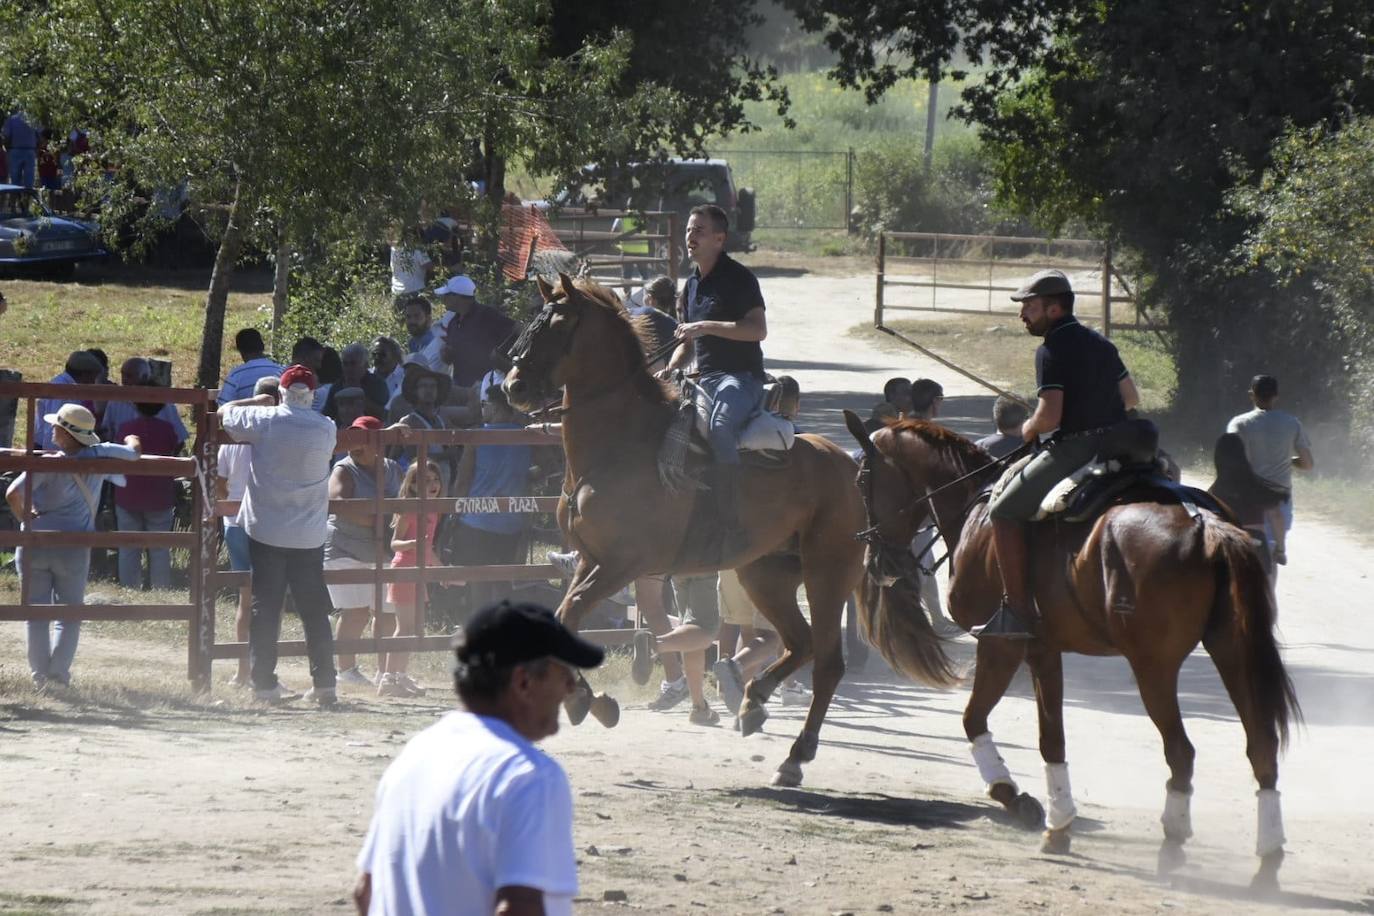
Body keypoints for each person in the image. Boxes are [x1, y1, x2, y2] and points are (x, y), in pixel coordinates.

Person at [353, 599, 602, 916]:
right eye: (565, 673)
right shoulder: (527, 775)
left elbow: (366, 893)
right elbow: (519, 909)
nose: (570, 687)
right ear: (523, 682)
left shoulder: (414, 756)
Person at [978, 269, 1140, 640]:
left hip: (1078, 448)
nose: (1022, 315)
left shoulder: (1050, 350)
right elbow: (1131, 399)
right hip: (1122, 443)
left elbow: (1049, 416)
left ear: (1053, 310)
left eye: (1029, 307)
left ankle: (1017, 611)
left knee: (1003, 509)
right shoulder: (1102, 344)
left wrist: (1030, 428)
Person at [218, 364, 339, 706]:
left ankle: (264, 683)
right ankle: (325, 683)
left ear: (282, 393)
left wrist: (255, 401)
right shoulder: (326, 427)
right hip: (309, 534)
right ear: (313, 395)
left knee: (265, 608)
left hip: (267, 528)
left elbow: (223, 413)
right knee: (314, 610)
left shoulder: (264, 420)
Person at [4, 404, 142, 689]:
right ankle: (58, 675)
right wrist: (130, 439)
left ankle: (39, 676)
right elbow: (135, 453)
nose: (52, 429)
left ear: (64, 433)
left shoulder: (48, 462)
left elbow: (13, 493)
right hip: (75, 545)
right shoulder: (102, 452)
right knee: (70, 615)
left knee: (36, 615)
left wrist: (25, 518)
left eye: (56, 426)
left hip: (36, 544)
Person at [658, 204, 768, 550]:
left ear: (719, 239)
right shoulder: (690, 285)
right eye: (689, 230)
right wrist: (672, 367)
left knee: (720, 428)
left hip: (741, 379)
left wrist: (705, 326)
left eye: (699, 230)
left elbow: (758, 330)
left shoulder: (740, 279)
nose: (691, 236)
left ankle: (730, 521)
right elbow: (687, 343)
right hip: (703, 380)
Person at [326, 416, 404, 687]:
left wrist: (392, 522)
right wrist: (383, 519)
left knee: (386, 612)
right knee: (355, 612)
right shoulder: (343, 469)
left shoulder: (393, 468)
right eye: (352, 438)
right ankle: (346, 671)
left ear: (378, 443)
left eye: (363, 439)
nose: (355, 445)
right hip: (345, 550)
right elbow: (338, 504)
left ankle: (385, 671)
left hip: (381, 552)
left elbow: (406, 500)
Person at [448, 383, 535, 612]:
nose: (482, 408)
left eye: (485, 404)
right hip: (511, 522)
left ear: (496, 407)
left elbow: (463, 480)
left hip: (477, 520)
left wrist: (454, 513)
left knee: (479, 582)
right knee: (504, 580)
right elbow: (538, 471)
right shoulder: (526, 437)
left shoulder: (477, 436)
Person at [216, 375, 279, 687]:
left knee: (245, 601)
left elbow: (220, 481)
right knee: (267, 601)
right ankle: (259, 672)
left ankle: (243, 672)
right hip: (263, 523)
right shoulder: (276, 433)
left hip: (233, 523)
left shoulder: (233, 432)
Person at [1226, 374, 1314, 570]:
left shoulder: (1238, 423)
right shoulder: (1292, 423)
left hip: (1246, 499)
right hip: (1280, 499)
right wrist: (1289, 461)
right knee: (1270, 555)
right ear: (1276, 396)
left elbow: (1230, 457)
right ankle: (1268, 592)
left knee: (1242, 554)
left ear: (1252, 394)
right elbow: (1307, 464)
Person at [381, 460, 444, 698]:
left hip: (419, 573)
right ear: (413, 485)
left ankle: (400, 676)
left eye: (435, 479)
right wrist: (410, 544)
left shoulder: (435, 509)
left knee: (413, 627)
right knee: (404, 627)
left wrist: (442, 572)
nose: (433, 484)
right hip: (404, 570)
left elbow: (429, 549)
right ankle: (388, 678)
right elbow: (394, 543)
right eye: (426, 480)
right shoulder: (409, 508)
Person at [113, 395, 182, 590]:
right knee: (160, 547)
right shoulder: (167, 429)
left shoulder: (126, 428)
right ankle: (161, 587)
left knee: (128, 546)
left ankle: (129, 588)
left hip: (128, 493)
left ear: (135, 403)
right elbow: (175, 448)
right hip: (159, 494)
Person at [1208, 432, 1289, 575]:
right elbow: (1276, 516)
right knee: (1265, 593)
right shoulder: (1257, 488)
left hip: (1227, 544)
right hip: (1256, 543)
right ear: (1244, 456)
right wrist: (1280, 550)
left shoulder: (1213, 492)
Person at [435, 275, 518, 387]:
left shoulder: (486, 315)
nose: (443, 299)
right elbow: (452, 358)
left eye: (446, 295)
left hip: (487, 386)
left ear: (457, 296)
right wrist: (447, 355)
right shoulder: (453, 323)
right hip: (463, 387)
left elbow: (516, 330)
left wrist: (503, 363)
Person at [391, 366, 457, 495]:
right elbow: (413, 458)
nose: (429, 390)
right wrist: (446, 455)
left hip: (444, 486)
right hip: (418, 489)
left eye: (433, 386)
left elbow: (453, 455)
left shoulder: (442, 420)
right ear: (415, 391)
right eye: (424, 386)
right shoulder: (409, 421)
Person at [99, 357, 190, 444]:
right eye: (123, 375)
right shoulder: (115, 402)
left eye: (129, 376)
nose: (124, 380)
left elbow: (179, 439)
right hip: (123, 457)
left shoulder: (164, 403)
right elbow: (106, 433)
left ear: (145, 377)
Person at [34, 351, 103, 450]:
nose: (93, 382)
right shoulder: (63, 390)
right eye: (93, 377)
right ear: (84, 374)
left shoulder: (65, 386)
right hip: (49, 450)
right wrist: (53, 455)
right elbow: (54, 428)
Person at [323, 343, 390, 423]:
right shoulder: (337, 386)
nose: (349, 368)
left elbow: (385, 415)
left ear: (365, 365)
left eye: (353, 364)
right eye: (345, 364)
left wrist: (360, 397)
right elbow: (326, 417)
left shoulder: (377, 384)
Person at [218, 329, 284, 406]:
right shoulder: (280, 371)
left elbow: (224, 406)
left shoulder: (236, 375)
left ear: (240, 350)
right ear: (262, 346)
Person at [976, 395, 1031, 459]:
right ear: (1023, 420)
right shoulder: (1030, 449)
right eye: (1027, 417)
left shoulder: (978, 447)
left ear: (996, 416)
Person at [402, 295, 447, 373]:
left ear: (429, 318)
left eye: (417, 316)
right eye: (408, 317)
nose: (412, 321)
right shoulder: (412, 342)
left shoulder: (436, 342)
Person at [2, 109, 39, 187]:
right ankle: (28, 196)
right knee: (29, 177)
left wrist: (7, 149)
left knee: (15, 178)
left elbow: (6, 136)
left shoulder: (12, 119)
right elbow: (39, 134)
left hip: (15, 150)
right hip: (30, 150)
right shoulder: (33, 119)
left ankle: (16, 195)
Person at [370, 336, 406, 402]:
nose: (377, 358)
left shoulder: (405, 377)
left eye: (382, 354)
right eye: (374, 354)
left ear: (395, 356)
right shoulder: (366, 377)